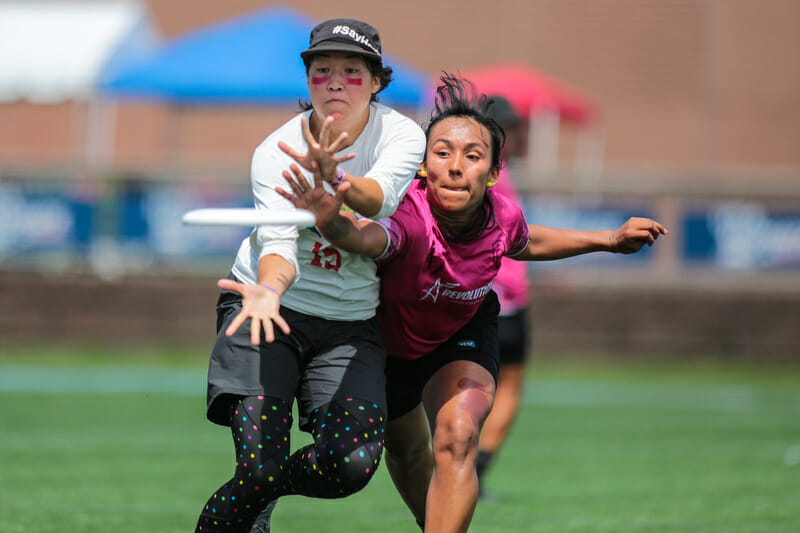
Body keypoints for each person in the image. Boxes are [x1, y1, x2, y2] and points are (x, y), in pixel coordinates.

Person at [277, 73, 667, 532]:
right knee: (405, 451)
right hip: (388, 342)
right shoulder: (409, 214)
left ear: (495, 172)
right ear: (423, 166)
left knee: (458, 437)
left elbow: (525, 241)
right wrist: (332, 224)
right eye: (442, 153)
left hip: (463, 330)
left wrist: (609, 238)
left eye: (473, 155)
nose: (456, 166)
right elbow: (363, 237)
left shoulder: (501, 213)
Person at [194, 18, 425, 533]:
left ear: (377, 81)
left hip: (349, 325)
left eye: (351, 70)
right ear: (308, 82)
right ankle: (260, 490)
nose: (337, 82)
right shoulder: (275, 152)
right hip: (267, 309)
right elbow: (279, 249)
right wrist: (269, 292)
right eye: (322, 71)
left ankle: (266, 490)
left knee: (351, 464)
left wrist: (336, 177)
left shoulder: (403, 134)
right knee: (257, 469)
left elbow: (381, 198)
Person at [474, 96, 532, 499]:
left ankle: (465, 466)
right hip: (501, 297)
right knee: (507, 386)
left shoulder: (471, 172)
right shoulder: (497, 174)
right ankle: (474, 468)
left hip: (479, 294)